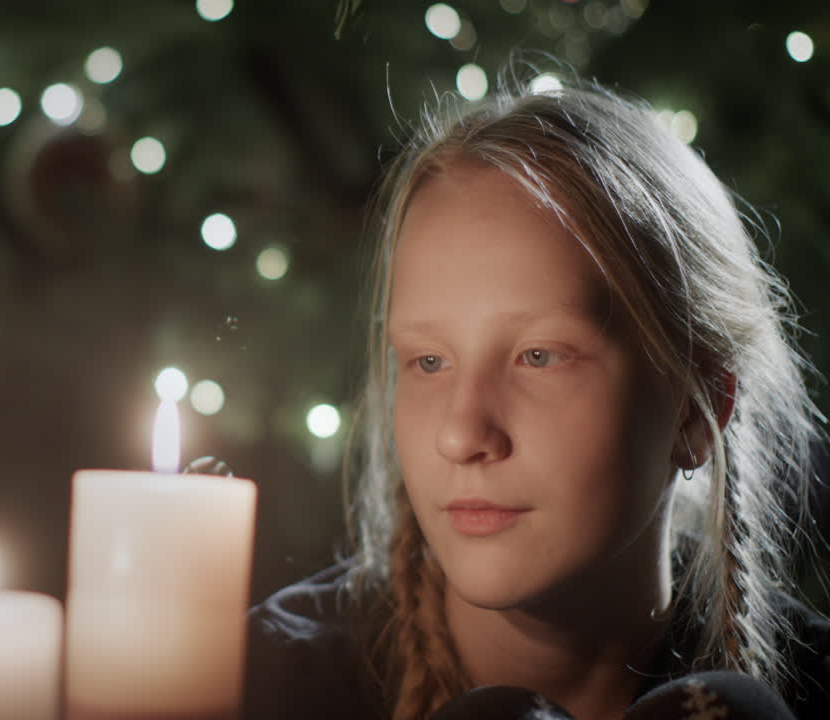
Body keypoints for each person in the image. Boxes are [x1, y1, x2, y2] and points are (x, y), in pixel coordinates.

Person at [243, 73, 830, 719]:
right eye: (429, 361)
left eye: (539, 356)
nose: (461, 435)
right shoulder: (260, 687)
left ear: (695, 407)